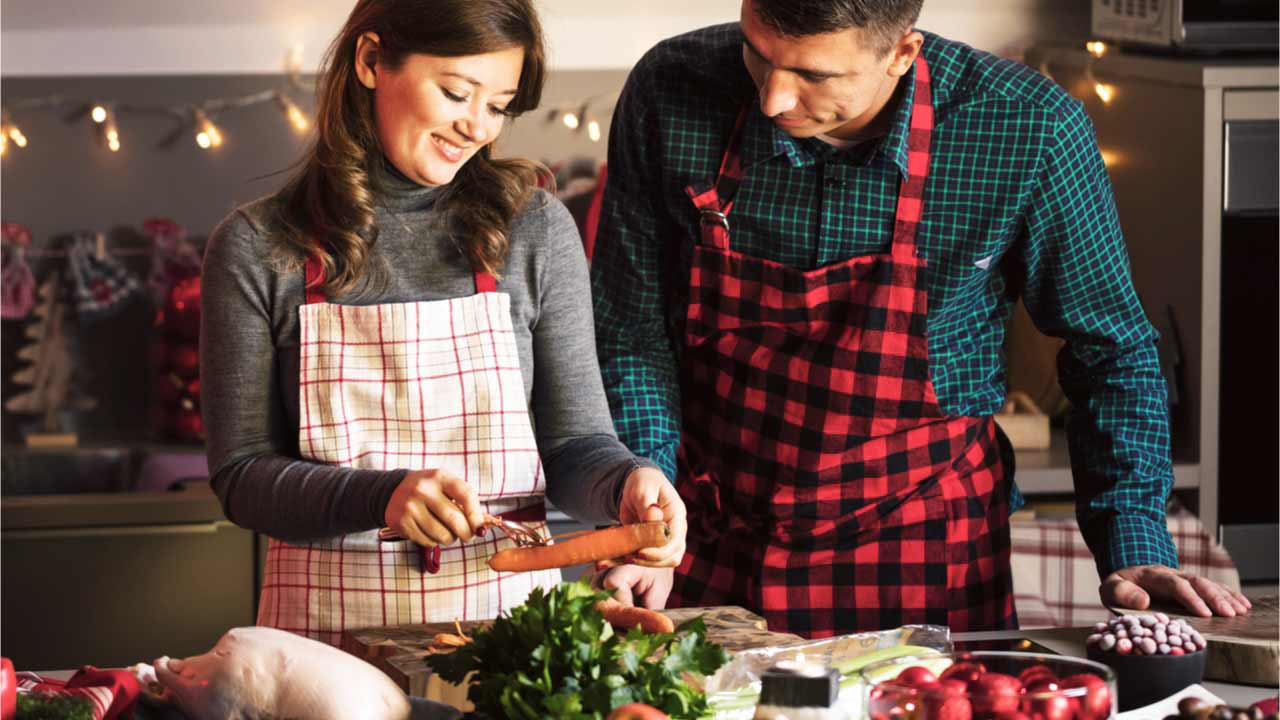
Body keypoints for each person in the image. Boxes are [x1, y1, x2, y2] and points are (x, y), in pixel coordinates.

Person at [590, 0, 1250, 637]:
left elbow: (1109, 353)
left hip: (925, 549)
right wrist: (644, 498)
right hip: (705, 536)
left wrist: (1131, 540)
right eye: (757, 54)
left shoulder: (1027, 129)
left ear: (903, 52)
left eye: (815, 76)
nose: (772, 99)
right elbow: (630, 330)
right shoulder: (670, 88)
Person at [199, 0, 686, 647]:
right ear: (372, 61)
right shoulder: (260, 245)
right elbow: (243, 476)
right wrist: (382, 497)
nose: (476, 127)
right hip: (325, 648)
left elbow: (575, 446)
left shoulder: (533, 228)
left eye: (498, 105)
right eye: (457, 92)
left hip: (511, 639)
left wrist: (628, 481)